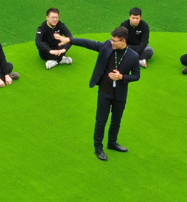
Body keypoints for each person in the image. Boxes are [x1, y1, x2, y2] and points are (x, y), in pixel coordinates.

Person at [55, 27, 141, 161]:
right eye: (111, 39)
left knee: (116, 121)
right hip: (104, 92)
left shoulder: (133, 56)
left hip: (120, 94)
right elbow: (89, 43)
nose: (111, 42)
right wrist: (69, 40)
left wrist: (122, 77)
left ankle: (112, 143)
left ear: (123, 41)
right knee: (101, 121)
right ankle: (98, 148)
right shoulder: (107, 46)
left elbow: (136, 76)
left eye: (114, 41)